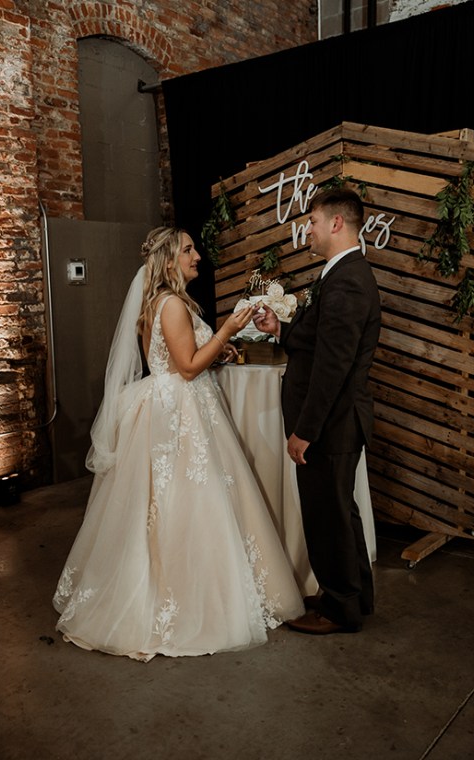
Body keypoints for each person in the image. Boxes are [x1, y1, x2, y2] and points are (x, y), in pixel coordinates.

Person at [52, 227, 305, 661]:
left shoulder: (168, 301)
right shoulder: (170, 304)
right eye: (188, 250)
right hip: (180, 412)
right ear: (169, 260)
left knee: (179, 502)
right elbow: (186, 368)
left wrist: (217, 349)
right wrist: (226, 331)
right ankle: (186, 599)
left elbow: (182, 357)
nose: (197, 256)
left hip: (181, 404)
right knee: (186, 502)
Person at [253, 188, 381, 636]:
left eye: (312, 221)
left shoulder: (347, 280)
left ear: (336, 223)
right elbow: (320, 341)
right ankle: (353, 597)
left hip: (331, 424)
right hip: (336, 422)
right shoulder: (340, 273)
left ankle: (337, 609)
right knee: (340, 512)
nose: (307, 229)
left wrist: (305, 431)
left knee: (327, 517)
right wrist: (281, 329)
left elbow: (332, 367)